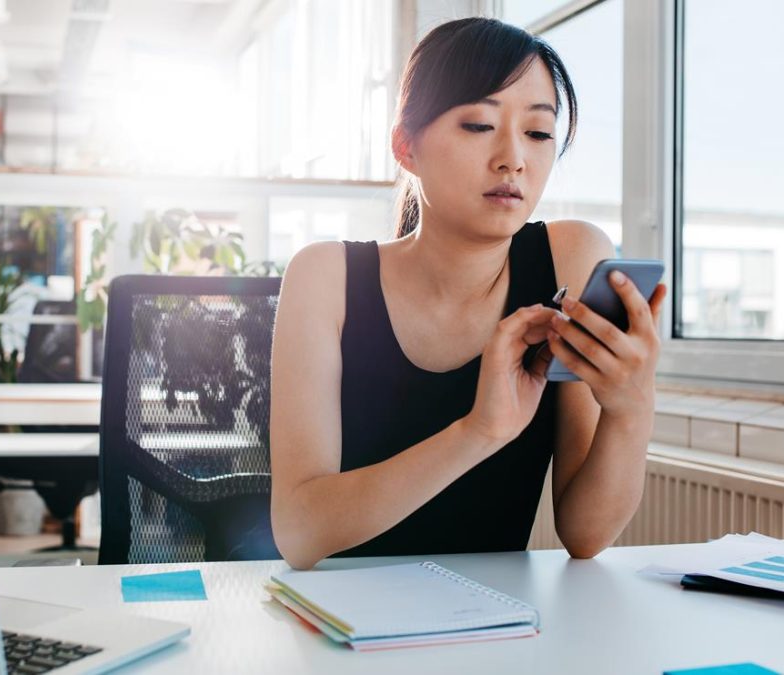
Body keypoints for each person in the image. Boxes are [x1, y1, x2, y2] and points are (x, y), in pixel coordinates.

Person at [269, 17, 667, 570]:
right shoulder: (325, 276)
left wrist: (631, 406)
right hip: (338, 627)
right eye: (479, 124)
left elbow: (585, 533)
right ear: (406, 146)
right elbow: (299, 531)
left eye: (538, 132)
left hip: (496, 628)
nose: (513, 158)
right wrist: (479, 432)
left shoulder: (571, 258)